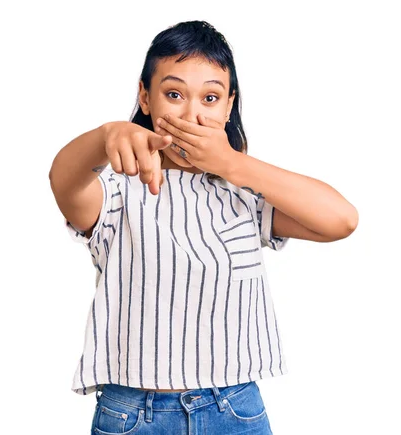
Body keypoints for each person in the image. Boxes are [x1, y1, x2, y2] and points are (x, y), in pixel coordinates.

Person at [49, 20, 358, 435]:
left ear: (228, 107)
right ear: (145, 96)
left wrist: (231, 163)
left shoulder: (243, 192)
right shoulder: (118, 190)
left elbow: (341, 220)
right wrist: (104, 136)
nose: (191, 114)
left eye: (210, 98)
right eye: (173, 94)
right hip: (134, 415)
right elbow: (63, 182)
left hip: (235, 407)